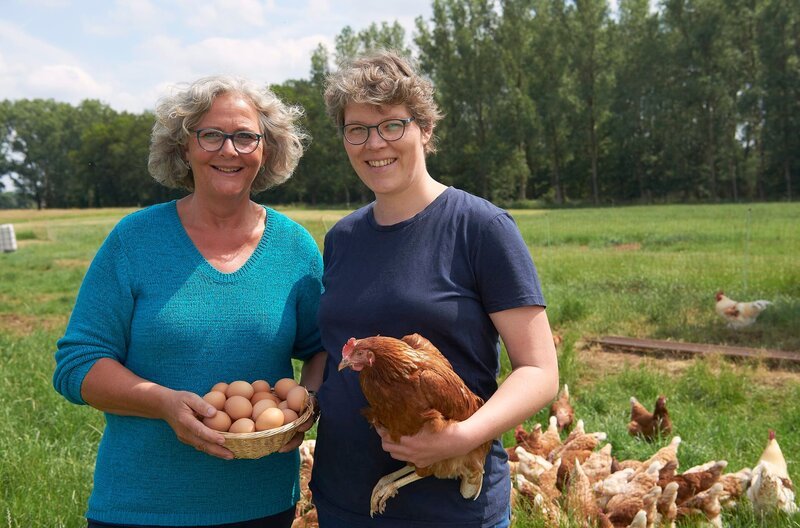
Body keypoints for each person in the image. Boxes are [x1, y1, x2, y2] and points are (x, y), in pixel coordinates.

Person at [53, 75, 326, 528]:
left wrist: (307, 403)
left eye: (245, 137)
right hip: (142, 505)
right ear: (184, 148)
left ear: (266, 149)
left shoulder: (294, 247)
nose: (229, 150)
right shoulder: (134, 240)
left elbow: (321, 345)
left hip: (262, 502)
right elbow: (77, 364)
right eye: (211, 135)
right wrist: (162, 403)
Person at [309, 50, 560, 528]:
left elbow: (539, 370)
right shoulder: (341, 238)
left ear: (424, 129)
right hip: (344, 497)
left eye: (391, 125)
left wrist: (463, 435)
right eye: (356, 129)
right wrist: (300, 404)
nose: (373, 143)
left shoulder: (479, 227)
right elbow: (331, 350)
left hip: (447, 507)